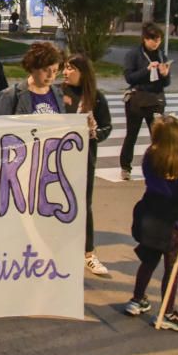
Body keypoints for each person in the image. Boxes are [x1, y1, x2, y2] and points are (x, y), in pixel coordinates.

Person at [126, 115, 178, 332]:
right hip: (173, 223)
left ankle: (137, 299)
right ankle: (168, 313)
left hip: (149, 215)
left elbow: (162, 178)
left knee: (148, 260)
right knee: (172, 268)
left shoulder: (150, 156)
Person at [62, 53, 113, 275]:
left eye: (71, 68)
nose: (66, 72)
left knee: (84, 205)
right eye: (65, 68)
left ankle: (88, 254)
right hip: (58, 159)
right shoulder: (57, 93)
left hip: (84, 160)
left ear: (83, 73)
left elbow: (107, 126)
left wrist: (94, 133)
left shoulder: (96, 97)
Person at [120, 23, 171, 181]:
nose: (155, 43)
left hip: (155, 99)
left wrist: (165, 74)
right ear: (144, 39)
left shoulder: (162, 55)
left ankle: (158, 167)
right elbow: (129, 77)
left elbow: (166, 83)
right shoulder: (134, 54)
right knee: (132, 134)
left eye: (158, 40)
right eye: (152, 39)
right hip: (138, 99)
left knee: (157, 136)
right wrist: (146, 70)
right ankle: (125, 167)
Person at [0, 42, 65, 115]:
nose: (51, 75)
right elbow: (1, 124)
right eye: (45, 70)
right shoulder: (10, 95)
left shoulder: (58, 93)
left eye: (55, 71)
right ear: (33, 67)